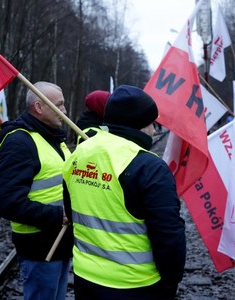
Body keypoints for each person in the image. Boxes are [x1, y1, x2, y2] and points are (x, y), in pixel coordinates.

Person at [62, 85, 186, 300]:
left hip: (85, 278)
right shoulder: (149, 166)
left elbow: (71, 211)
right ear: (137, 125)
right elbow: (168, 235)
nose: (155, 130)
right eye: (151, 123)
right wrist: (171, 281)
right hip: (135, 284)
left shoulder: (80, 152)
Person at [0, 81, 72, 300]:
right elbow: (5, 201)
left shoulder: (53, 137)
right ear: (39, 107)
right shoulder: (20, 141)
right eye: (60, 105)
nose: (64, 111)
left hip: (61, 241)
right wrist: (58, 215)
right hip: (40, 246)